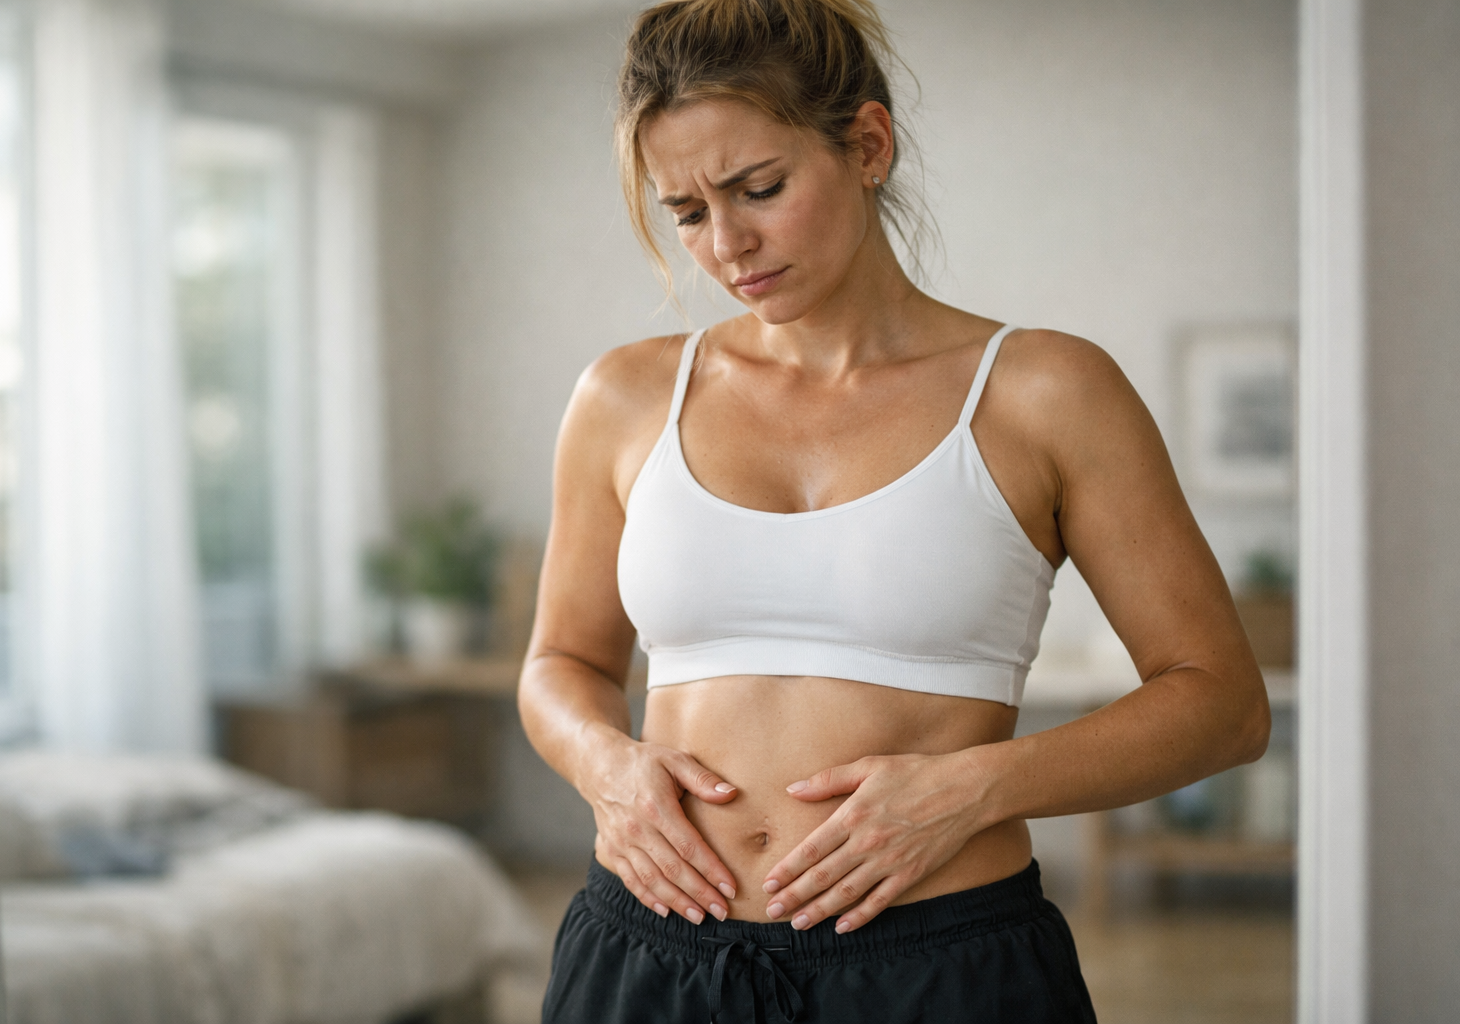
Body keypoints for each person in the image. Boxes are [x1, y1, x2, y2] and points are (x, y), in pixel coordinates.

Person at [518, 1, 1271, 1020]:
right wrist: (607, 766)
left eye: (760, 188)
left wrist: (972, 788)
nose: (727, 244)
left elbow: (1222, 703)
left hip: (939, 968)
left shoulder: (1046, 390)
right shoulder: (623, 396)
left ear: (867, 145)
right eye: (687, 212)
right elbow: (561, 664)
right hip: (652, 954)